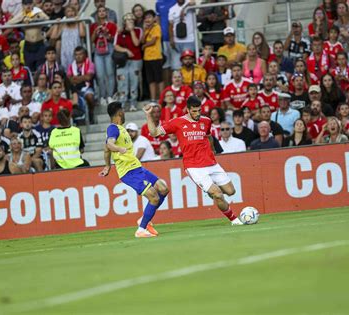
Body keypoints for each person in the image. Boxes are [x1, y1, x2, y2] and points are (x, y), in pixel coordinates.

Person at [144, 96, 243, 225]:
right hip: (194, 166)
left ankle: (210, 191)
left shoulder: (206, 121)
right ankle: (234, 219)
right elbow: (154, 132)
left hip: (211, 163)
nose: (197, 114)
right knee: (218, 194)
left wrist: (212, 149)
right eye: (194, 111)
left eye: (199, 110)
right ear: (188, 110)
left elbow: (208, 136)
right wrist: (149, 115)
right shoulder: (177, 122)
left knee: (231, 191)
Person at [100, 101, 169, 238]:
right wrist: (119, 149)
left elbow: (106, 150)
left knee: (163, 189)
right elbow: (109, 144)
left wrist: (107, 166)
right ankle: (141, 229)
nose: (124, 113)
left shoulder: (122, 129)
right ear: (119, 112)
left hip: (137, 167)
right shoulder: (113, 128)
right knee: (154, 197)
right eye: (123, 111)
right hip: (128, 172)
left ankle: (144, 219)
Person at [114, 13, 143, 112]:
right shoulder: (119, 32)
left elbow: (136, 43)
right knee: (122, 82)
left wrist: (131, 31)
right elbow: (116, 46)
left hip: (136, 60)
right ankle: (122, 103)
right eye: (128, 20)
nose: (130, 21)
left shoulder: (138, 30)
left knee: (134, 82)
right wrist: (126, 51)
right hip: (122, 61)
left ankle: (133, 104)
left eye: (132, 20)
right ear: (124, 22)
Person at [90, 6, 117, 105]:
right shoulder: (93, 25)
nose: (101, 13)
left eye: (103, 11)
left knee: (110, 73)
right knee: (100, 75)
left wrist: (106, 33)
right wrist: (95, 32)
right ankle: (102, 96)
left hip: (109, 49)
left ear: (107, 13)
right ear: (97, 14)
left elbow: (114, 40)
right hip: (98, 51)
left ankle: (110, 95)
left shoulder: (112, 25)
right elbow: (91, 40)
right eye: (99, 11)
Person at [142, 10, 164, 102]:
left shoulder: (157, 27)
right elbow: (142, 41)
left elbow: (153, 40)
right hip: (147, 58)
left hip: (156, 57)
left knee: (159, 79)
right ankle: (153, 99)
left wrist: (144, 46)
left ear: (154, 18)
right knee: (151, 80)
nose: (148, 19)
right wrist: (144, 30)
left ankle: (162, 99)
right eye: (146, 18)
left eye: (149, 17)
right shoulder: (146, 29)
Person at [168, 0, 196, 70]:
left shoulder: (189, 5)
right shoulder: (172, 9)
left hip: (189, 41)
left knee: (188, 64)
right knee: (176, 66)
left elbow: (193, 2)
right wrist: (171, 39)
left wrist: (184, 9)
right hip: (176, 42)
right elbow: (170, 25)